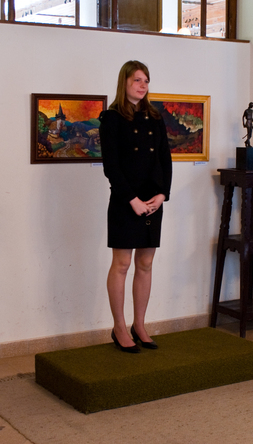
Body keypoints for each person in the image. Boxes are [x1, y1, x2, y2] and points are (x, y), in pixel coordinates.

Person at [98, 60, 172, 353]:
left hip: (153, 201)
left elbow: (165, 159)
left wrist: (162, 195)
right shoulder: (112, 118)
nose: (143, 85)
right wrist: (132, 200)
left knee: (145, 263)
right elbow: (111, 167)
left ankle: (139, 325)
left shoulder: (155, 117)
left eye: (146, 80)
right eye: (137, 80)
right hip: (125, 201)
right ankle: (119, 327)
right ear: (125, 83)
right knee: (122, 264)